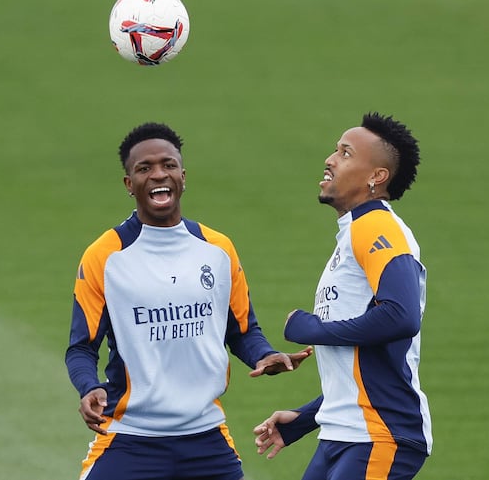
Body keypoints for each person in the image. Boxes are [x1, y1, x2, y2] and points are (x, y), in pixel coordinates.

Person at [65, 122, 312, 480]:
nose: (158, 174)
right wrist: (89, 387)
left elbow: (242, 330)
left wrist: (265, 355)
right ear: (128, 184)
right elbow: (81, 348)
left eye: (168, 165)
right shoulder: (105, 256)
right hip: (130, 440)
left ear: (183, 175)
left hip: (206, 441)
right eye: (144, 168)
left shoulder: (217, 249)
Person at [253, 112, 432, 480]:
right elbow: (362, 366)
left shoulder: (377, 226)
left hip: (380, 434)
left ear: (376, 177)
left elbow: (401, 316)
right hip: (344, 433)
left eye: (346, 153)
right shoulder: (353, 233)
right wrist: (306, 419)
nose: (330, 159)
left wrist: (312, 328)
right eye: (335, 150)